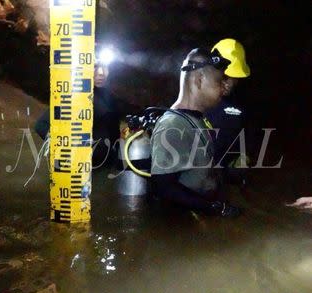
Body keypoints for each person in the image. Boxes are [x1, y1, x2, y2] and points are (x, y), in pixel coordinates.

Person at [150, 42, 250, 217]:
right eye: (219, 81)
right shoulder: (173, 124)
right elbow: (164, 188)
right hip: (183, 227)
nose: (223, 87)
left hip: (198, 217)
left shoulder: (197, 120)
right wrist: (216, 208)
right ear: (199, 80)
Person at [34, 47, 139, 167]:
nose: (101, 72)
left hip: (107, 168)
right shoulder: (74, 95)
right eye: (95, 67)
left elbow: (127, 112)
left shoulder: (107, 95)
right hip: (82, 171)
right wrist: (68, 148)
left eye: (105, 67)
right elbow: (41, 126)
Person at [205, 39, 251, 184]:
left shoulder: (240, 105)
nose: (228, 82)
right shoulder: (194, 101)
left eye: (233, 76)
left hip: (220, 176)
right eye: (224, 76)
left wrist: (243, 156)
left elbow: (248, 134)